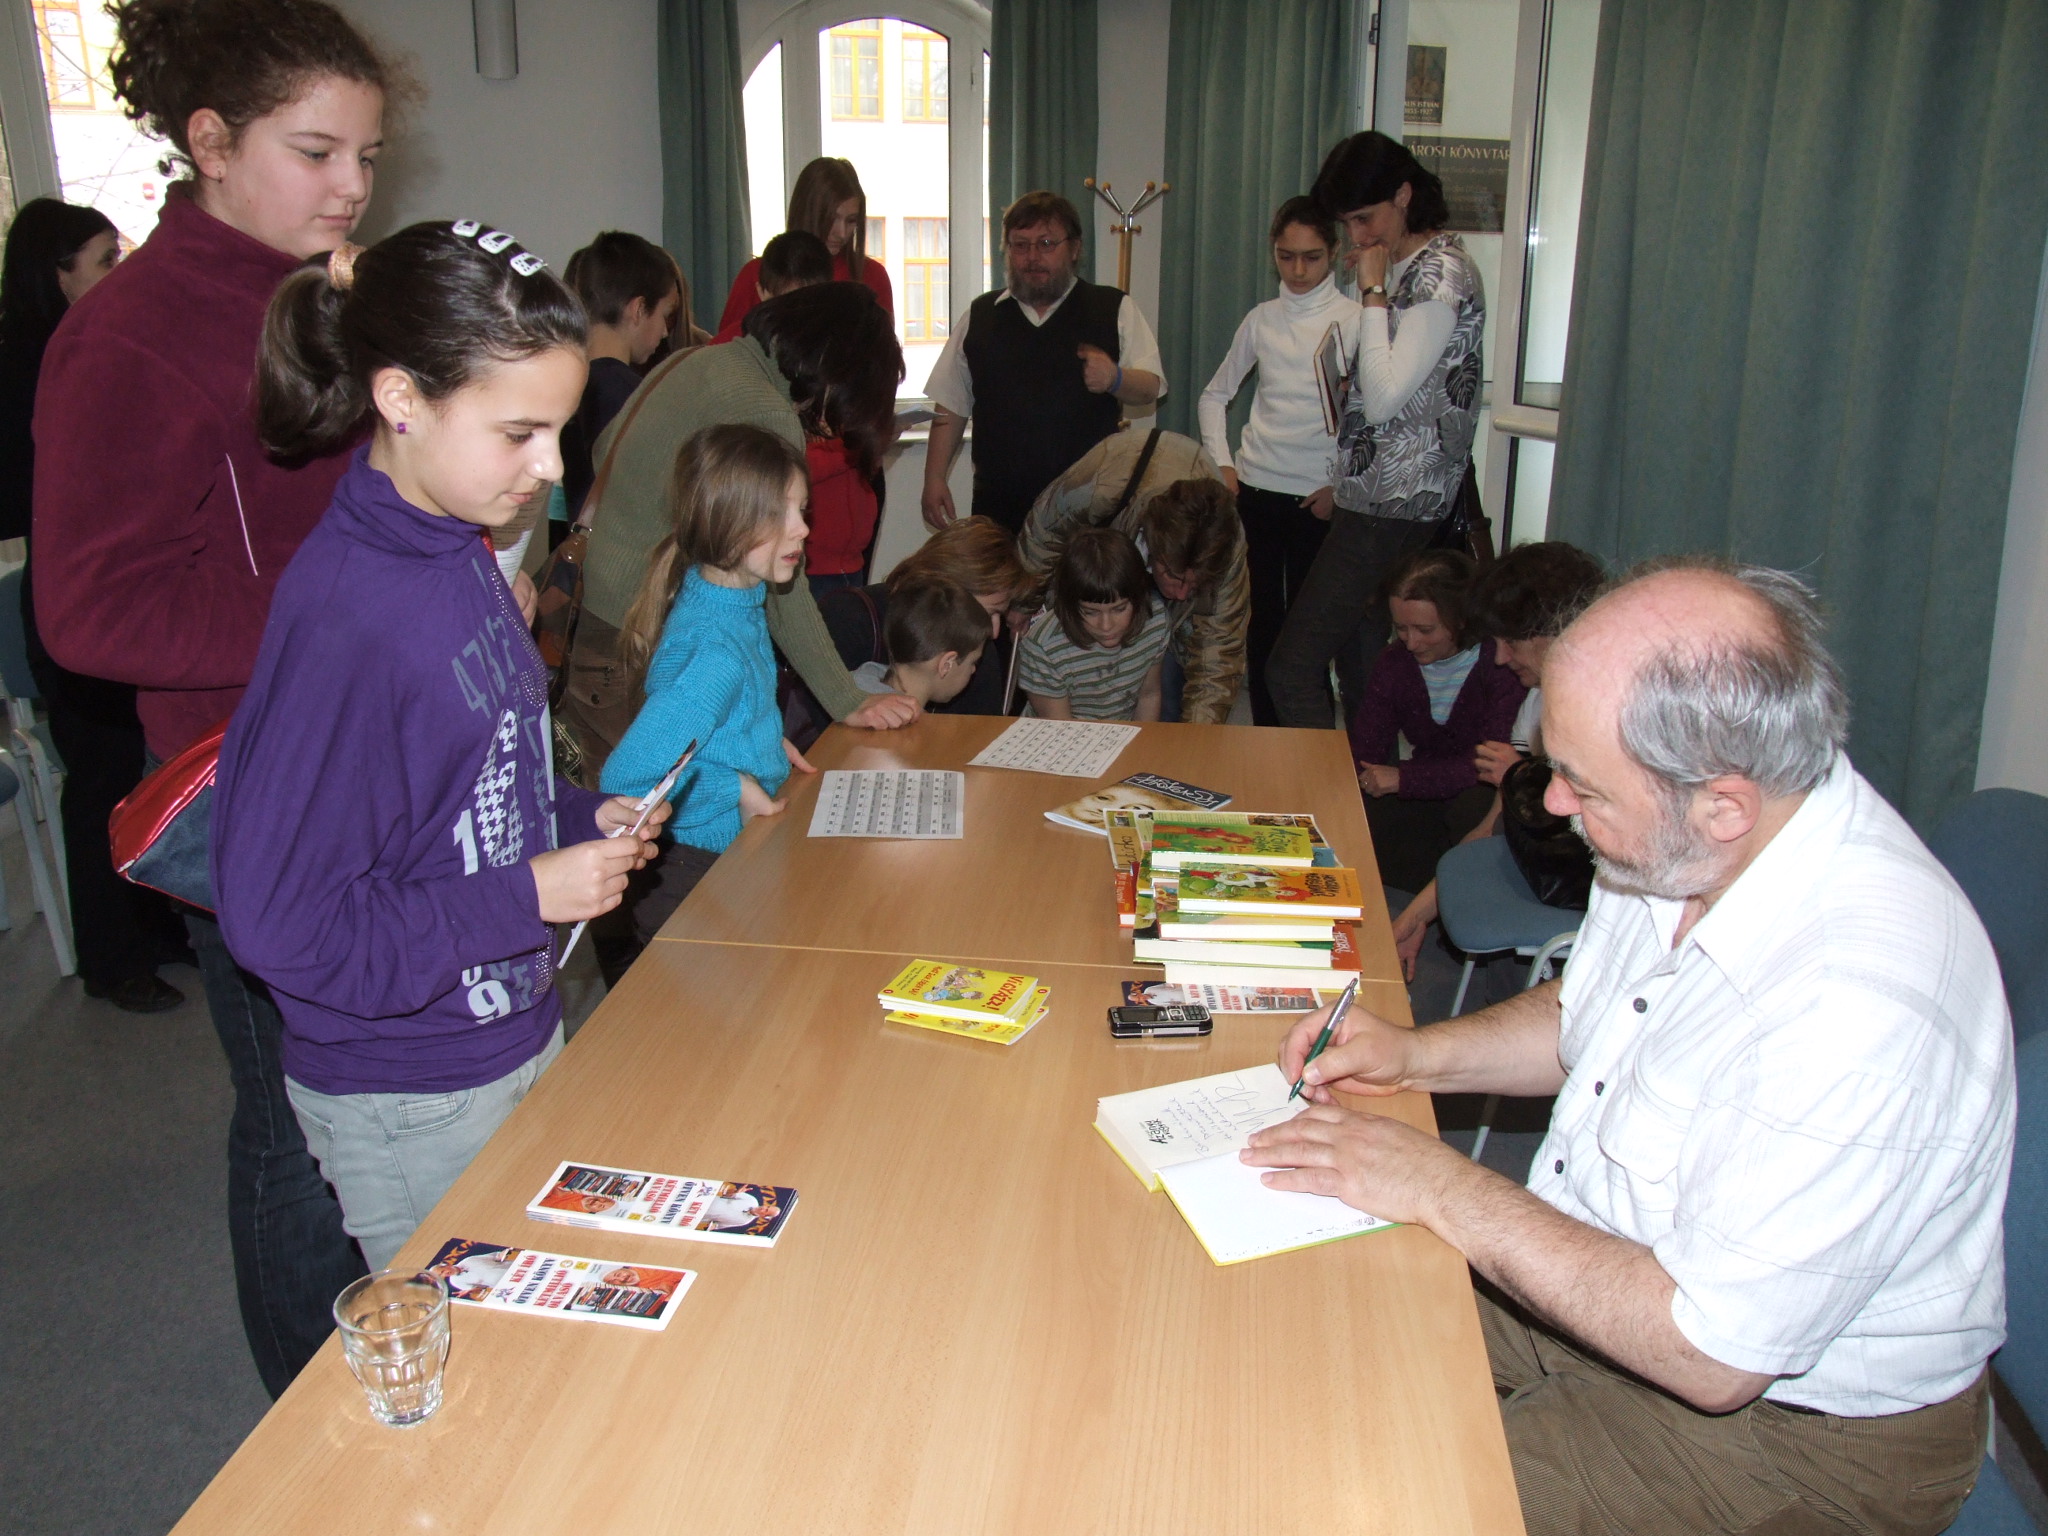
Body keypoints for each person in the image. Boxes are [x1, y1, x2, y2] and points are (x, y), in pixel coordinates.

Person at [1245, 560, 2013, 1536]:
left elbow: (1710, 1350)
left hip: (1787, 1430)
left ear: (1723, 803)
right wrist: (1415, 1055)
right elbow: (1599, 1015)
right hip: (1609, 1280)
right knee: (1291, 1318)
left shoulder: (1857, 1010)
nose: (1557, 805)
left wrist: (1438, 1183)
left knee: (1370, 1505)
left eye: (1582, 784)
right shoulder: (1680, 838)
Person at [30, 0, 394, 1397]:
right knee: (298, 1123)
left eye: (367, 155)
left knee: (384, 1091)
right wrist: (339, 607)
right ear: (212, 142)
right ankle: (310, 1422)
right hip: (257, 785)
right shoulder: (129, 335)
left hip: (370, 754)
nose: (351, 186)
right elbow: (87, 610)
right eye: (317, 152)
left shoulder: (314, 295)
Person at [212, 221, 662, 1272]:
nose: (550, 469)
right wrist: (527, 894)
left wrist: (573, 815)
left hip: (504, 1025)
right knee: (472, 1349)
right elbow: (280, 924)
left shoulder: (458, 545)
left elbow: (470, 778)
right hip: (411, 1087)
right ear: (402, 399)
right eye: (519, 434)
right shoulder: (350, 618)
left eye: (559, 431)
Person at [562, 282, 917, 779]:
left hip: (594, 613)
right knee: (638, 804)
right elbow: (783, 580)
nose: (831, 428)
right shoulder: (764, 411)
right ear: (833, 372)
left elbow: (605, 451)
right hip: (639, 635)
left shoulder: (695, 359)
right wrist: (846, 698)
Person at [3, 198, 189, 1012]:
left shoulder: (105, 349)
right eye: (105, 260)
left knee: (149, 768)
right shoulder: (28, 367)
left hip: (132, 585)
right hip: (76, 599)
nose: (121, 273)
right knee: (100, 780)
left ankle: (159, 927)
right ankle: (110, 960)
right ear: (58, 276)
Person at [1267, 131, 1486, 729]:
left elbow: (1387, 401)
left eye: (1364, 218)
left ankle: (1322, 786)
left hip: (1394, 501)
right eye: (1348, 223)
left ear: (1404, 195)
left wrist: (1371, 289)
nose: (1358, 236)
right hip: (1376, 494)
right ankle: (1367, 787)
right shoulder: (1407, 266)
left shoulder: (1439, 272)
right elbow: (1392, 383)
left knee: (1291, 668)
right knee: (1361, 665)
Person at [600, 424, 819, 955]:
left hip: (727, 856)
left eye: (801, 509)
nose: (803, 529)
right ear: (729, 522)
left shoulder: (733, 601)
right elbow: (628, 779)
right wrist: (732, 786)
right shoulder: (715, 650)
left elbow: (715, 719)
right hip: (693, 872)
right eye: (780, 513)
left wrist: (761, 739)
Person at [1387, 540, 1606, 979]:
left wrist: (1524, 778)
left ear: (1559, 633)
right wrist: (1416, 916)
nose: (1501, 657)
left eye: (1511, 642)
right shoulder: (1538, 700)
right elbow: (1491, 827)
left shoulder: (1606, 711)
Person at [1197, 196, 1363, 725]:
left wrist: (1341, 485)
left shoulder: (1357, 320)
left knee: (1311, 637)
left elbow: (1373, 421)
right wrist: (1224, 465)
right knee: (1263, 627)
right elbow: (1213, 396)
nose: (1297, 270)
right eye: (1286, 256)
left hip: (1320, 499)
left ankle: (1314, 747)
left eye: (1311, 257)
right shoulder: (1262, 319)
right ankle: (1269, 743)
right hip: (1257, 492)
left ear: (1333, 253)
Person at [923, 191, 1165, 533]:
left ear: (1074, 248)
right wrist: (934, 478)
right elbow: (950, 402)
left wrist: (1116, 378)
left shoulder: (1113, 309)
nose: (1032, 257)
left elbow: (1151, 387)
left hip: (1088, 512)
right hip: (999, 509)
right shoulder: (981, 316)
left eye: (1046, 243)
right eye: (1020, 245)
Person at [1019, 436, 1249, 723]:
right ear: (1151, 546)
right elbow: (1044, 533)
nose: (1181, 594)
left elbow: (1219, 655)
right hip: (1105, 552)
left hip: (1145, 606)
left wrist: (1195, 734)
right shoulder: (1100, 489)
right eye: (1173, 576)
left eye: (1194, 583)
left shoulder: (1225, 548)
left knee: (1168, 695)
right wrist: (1023, 601)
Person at [1349, 549, 1525, 893]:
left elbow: (1490, 765)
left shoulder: (1499, 663)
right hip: (1428, 783)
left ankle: (1465, 892)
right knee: (1359, 820)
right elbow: (1366, 750)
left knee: (1471, 809)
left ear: (1461, 619)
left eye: (1425, 629)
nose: (1411, 642)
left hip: (1481, 791)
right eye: (1401, 628)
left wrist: (1405, 779)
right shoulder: (1394, 663)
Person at [814, 516, 1028, 720]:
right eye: (989, 613)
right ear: (946, 594)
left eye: (1000, 615)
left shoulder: (976, 650)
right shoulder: (849, 618)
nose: (994, 631)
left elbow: (983, 731)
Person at [560, 230, 680, 517]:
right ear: (638, 309)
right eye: (665, 315)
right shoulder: (627, 394)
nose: (665, 331)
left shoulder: (568, 384)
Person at [715, 157, 893, 337]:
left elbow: (884, 350)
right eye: (831, 219)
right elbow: (726, 348)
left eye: (851, 220)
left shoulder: (873, 275)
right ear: (808, 212)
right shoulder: (758, 273)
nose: (841, 233)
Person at [1019, 526, 1171, 721]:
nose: (1106, 626)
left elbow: (1148, 695)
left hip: (1120, 733)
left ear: (1139, 598)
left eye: (1119, 609)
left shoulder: (1155, 621)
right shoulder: (1044, 646)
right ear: (1070, 604)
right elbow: (1059, 726)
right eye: (1090, 612)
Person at [846, 572, 988, 710]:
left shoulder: (855, 685)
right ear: (946, 664)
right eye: (973, 662)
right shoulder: (900, 720)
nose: (973, 670)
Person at [713, 229, 831, 342]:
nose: (792, 318)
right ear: (761, 292)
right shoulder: (731, 342)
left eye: (805, 305)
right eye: (780, 304)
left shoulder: (836, 342)